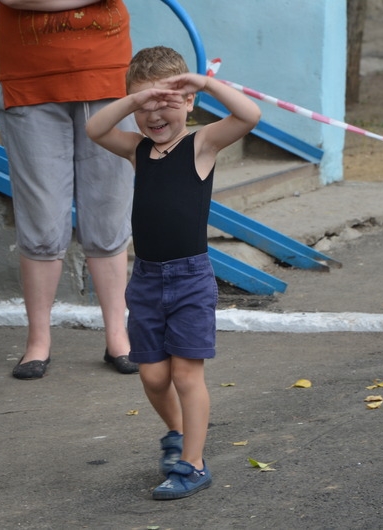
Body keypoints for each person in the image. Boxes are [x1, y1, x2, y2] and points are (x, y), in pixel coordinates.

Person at [86, 46, 261, 499]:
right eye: (146, 105)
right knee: (152, 377)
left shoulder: (201, 144)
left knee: (186, 376)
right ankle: (180, 435)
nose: (155, 112)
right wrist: (135, 100)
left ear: (187, 102)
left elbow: (248, 115)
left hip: (189, 279)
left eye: (167, 101)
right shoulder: (137, 150)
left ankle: (193, 464)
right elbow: (95, 128)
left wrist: (204, 84)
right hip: (145, 280)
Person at [0, 0, 139, 378]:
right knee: (42, 220)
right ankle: (37, 342)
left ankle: (118, 336)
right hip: (30, 79)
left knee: (109, 212)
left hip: (107, 73)